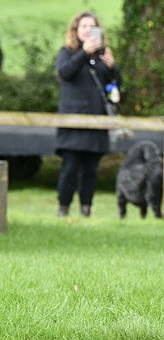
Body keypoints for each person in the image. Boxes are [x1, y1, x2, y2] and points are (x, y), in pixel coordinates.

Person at [54, 12, 122, 218]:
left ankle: (86, 208)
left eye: (91, 27)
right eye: (83, 26)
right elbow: (65, 73)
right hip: (73, 121)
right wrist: (83, 53)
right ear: (75, 30)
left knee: (91, 169)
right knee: (70, 168)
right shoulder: (67, 53)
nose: (86, 30)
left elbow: (116, 88)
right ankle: (63, 207)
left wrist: (112, 67)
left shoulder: (102, 57)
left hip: (96, 121)